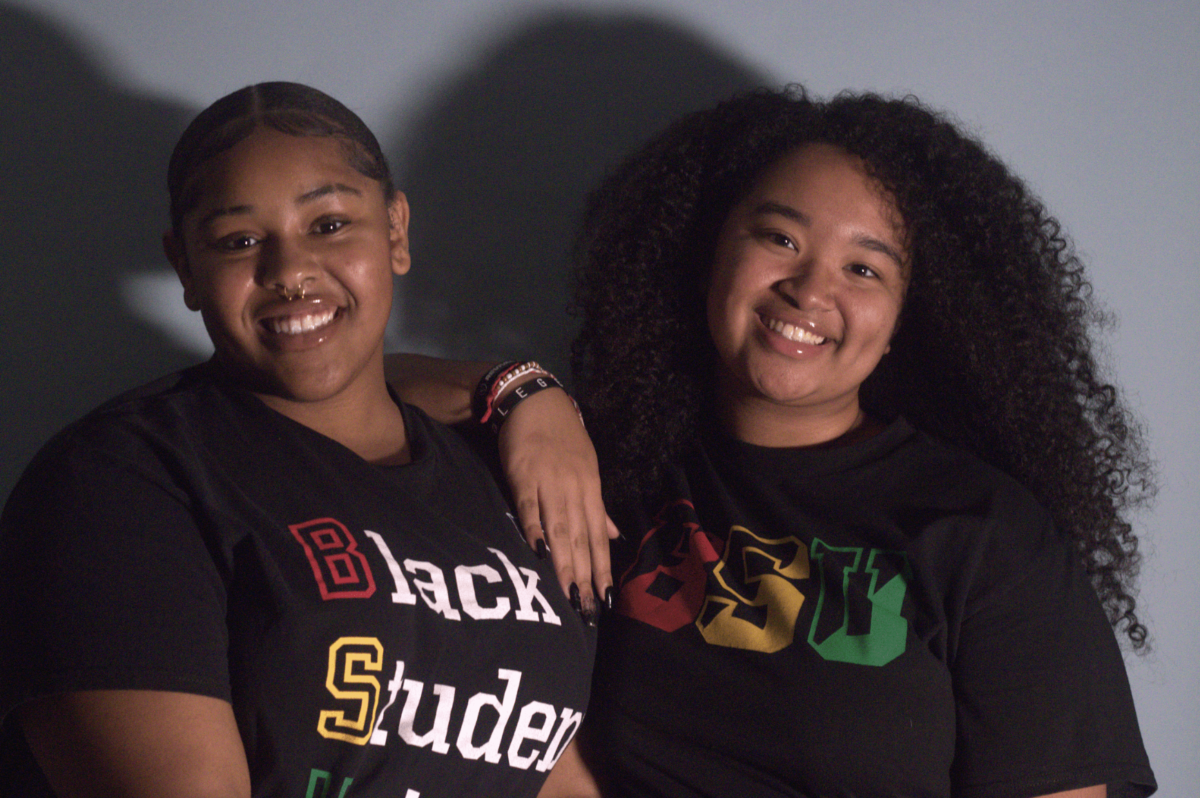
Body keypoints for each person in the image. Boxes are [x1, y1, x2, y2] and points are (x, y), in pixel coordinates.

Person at [0, 82, 599, 798]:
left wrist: (526, 388)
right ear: (185, 265)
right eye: (239, 241)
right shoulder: (120, 481)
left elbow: (544, 764)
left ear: (396, 231)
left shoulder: (503, 470)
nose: (288, 273)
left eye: (330, 224)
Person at [558, 87, 1157, 797]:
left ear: (905, 317)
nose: (810, 290)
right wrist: (520, 397)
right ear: (710, 249)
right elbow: (394, 403)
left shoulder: (983, 533)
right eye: (780, 238)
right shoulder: (599, 471)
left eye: (864, 269)